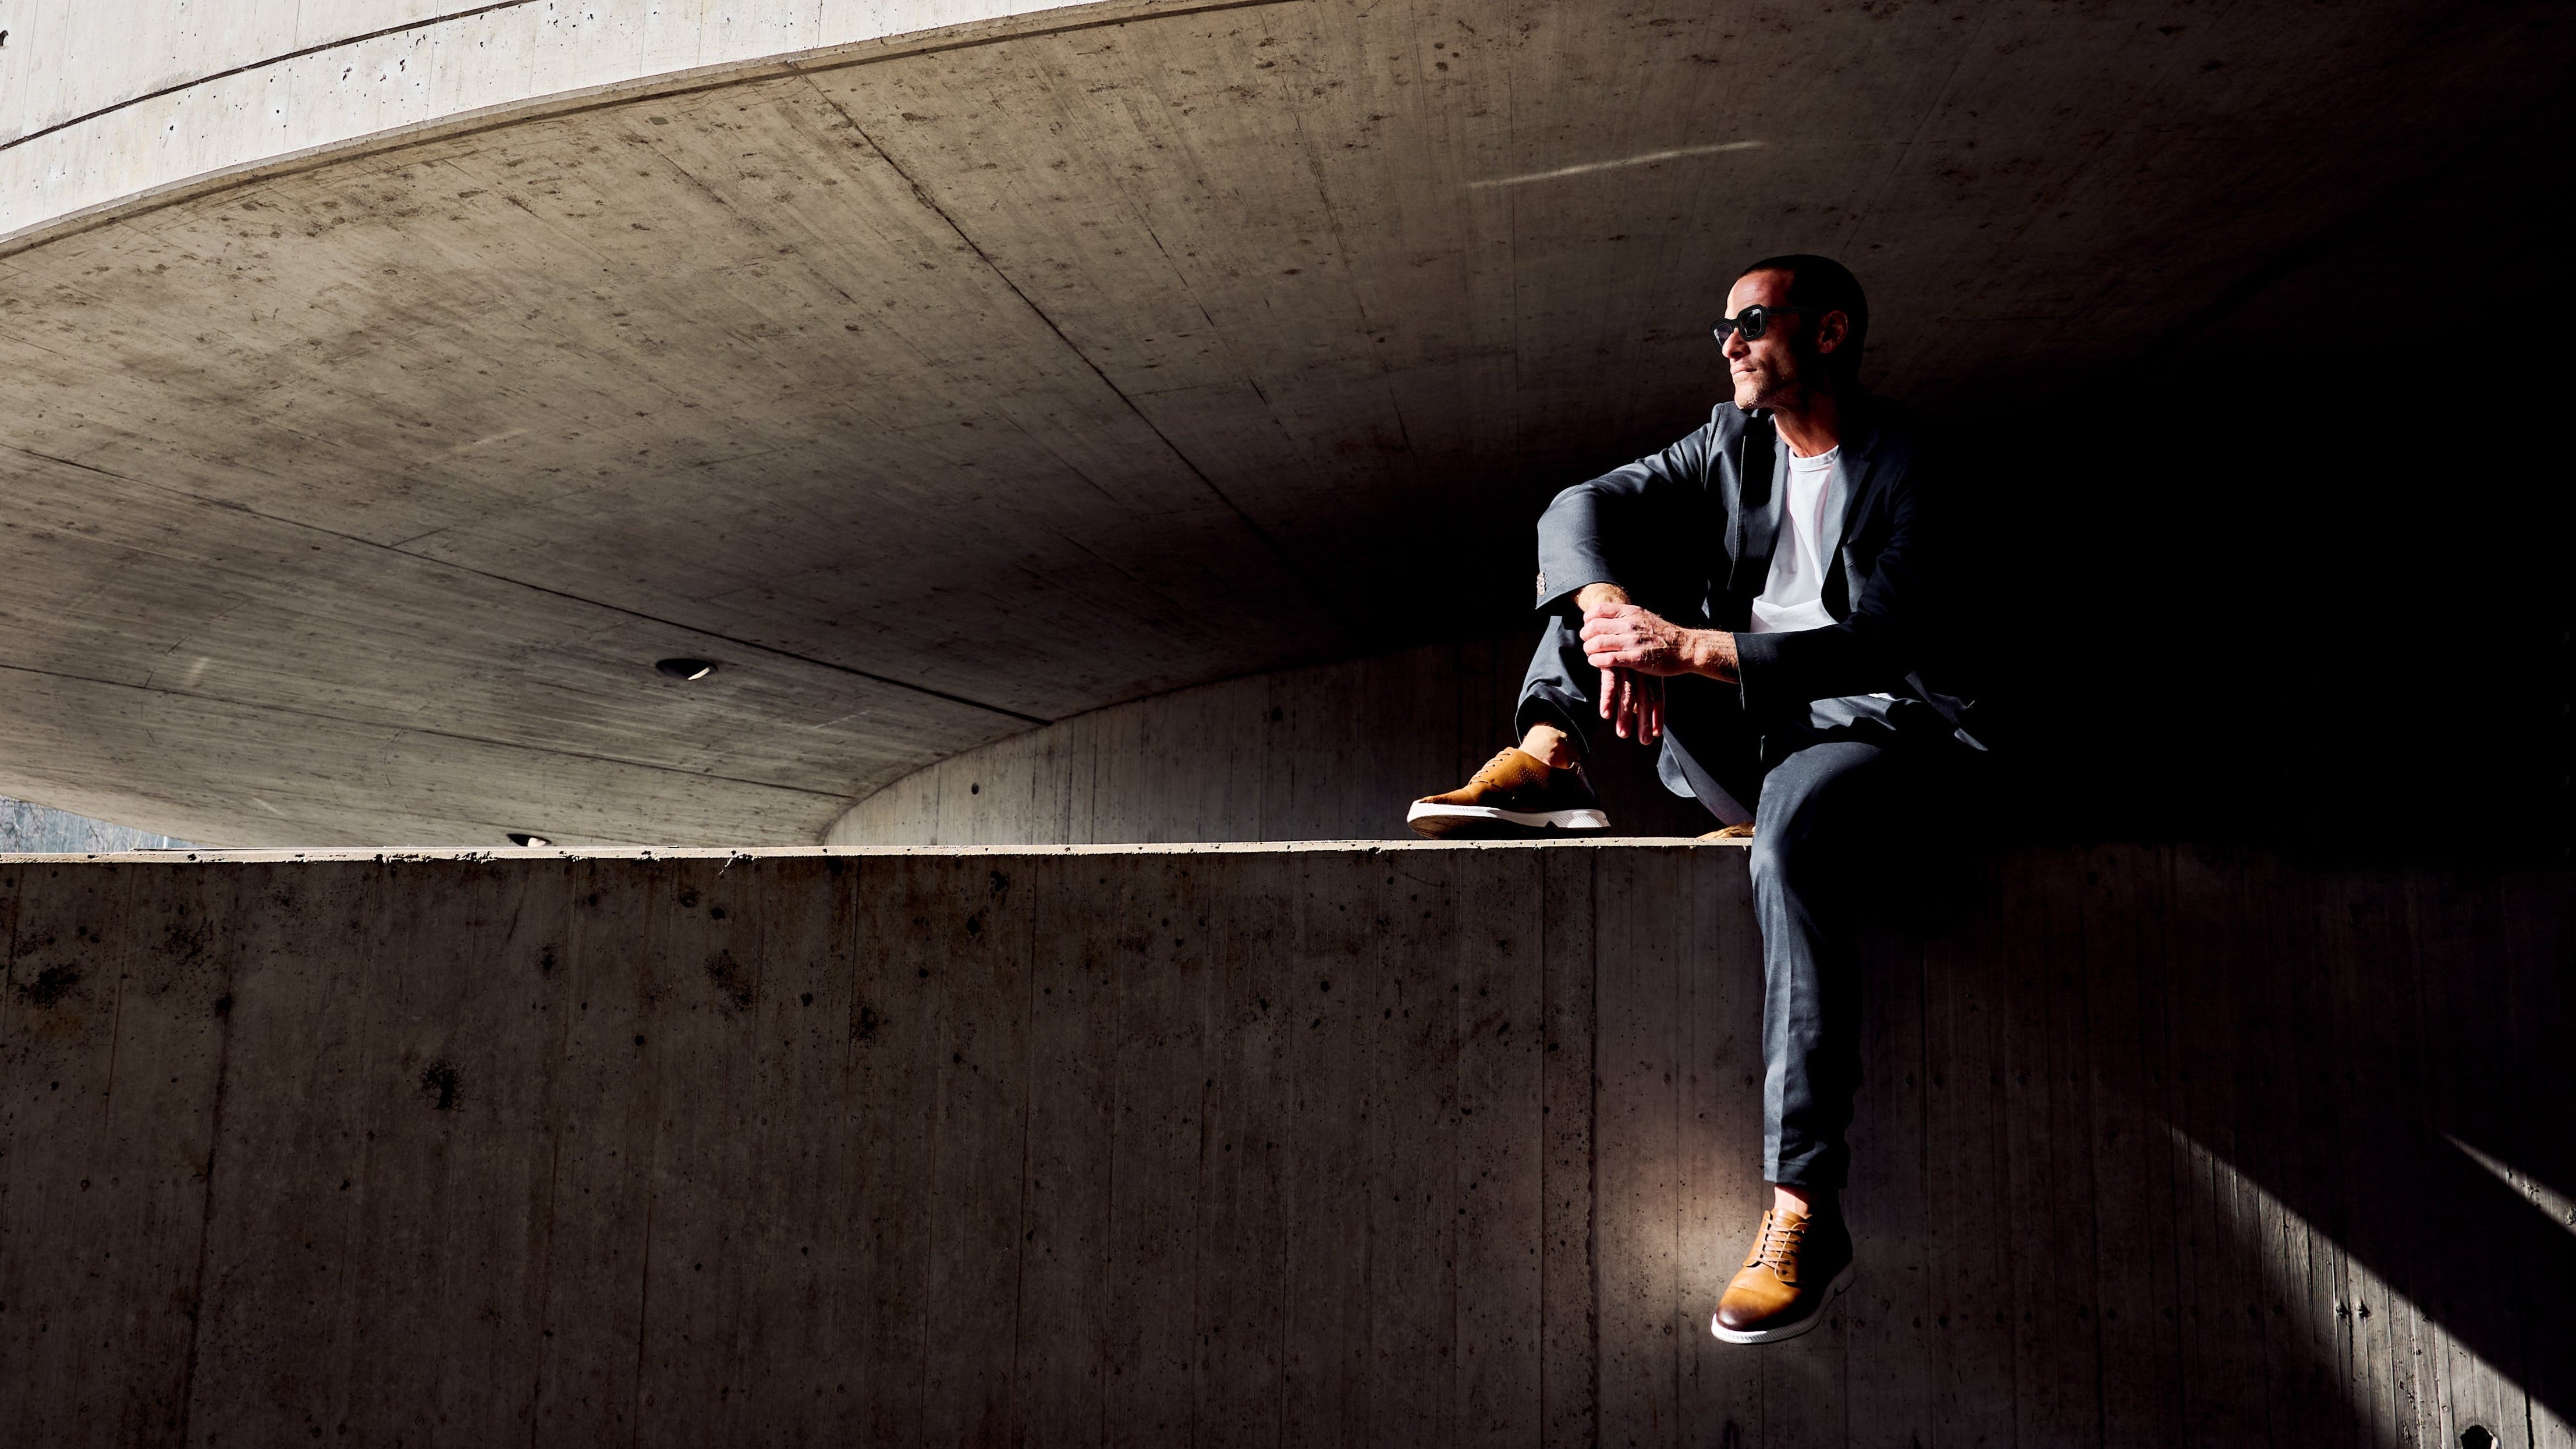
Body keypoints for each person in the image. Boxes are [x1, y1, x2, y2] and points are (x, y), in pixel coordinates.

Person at [1406, 254, 1981, 1345]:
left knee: (1792, 837)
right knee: (1604, 584)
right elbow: (1577, 507)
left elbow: (1885, 641)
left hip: (1880, 737)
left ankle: (1806, 1209)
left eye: (1750, 323)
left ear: (1827, 332)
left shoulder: (1917, 464)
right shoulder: (1727, 442)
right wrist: (1620, 612)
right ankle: (1545, 754)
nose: (1727, 344)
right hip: (1749, 737)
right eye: (1721, 326)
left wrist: (1694, 650)